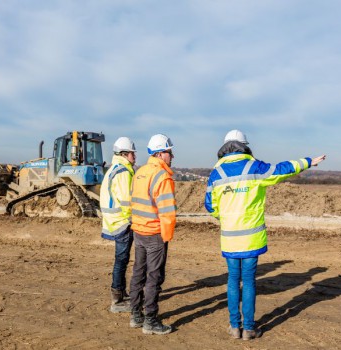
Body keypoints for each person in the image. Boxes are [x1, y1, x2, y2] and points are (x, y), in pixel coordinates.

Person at [205, 129, 326, 341]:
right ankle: (249, 329)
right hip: (251, 238)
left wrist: (225, 218)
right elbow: (281, 170)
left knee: (233, 280)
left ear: (224, 148)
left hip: (230, 237)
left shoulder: (217, 173)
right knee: (249, 281)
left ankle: (235, 327)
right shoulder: (254, 167)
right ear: (244, 146)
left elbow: (210, 206)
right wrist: (308, 162)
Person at [128, 133, 177, 335]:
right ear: (160, 153)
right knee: (154, 277)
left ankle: (135, 315)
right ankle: (150, 321)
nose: (172, 156)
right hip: (155, 233)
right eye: (169, 152)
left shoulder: (140, 172)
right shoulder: (162, 176)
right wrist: (166, 237)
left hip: (138, 230)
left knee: (138, 272)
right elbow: (167, 212)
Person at [100, 136, 137, 313]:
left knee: (121, 260)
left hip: (114, 221)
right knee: (121, 260)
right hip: (122, 223)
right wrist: (133, 220)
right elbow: (126, 201)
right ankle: (117, 300)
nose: (134, 156)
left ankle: (120, 292)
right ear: (124, 154)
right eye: (132, 153)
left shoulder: (114, 168)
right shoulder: (122, 172)